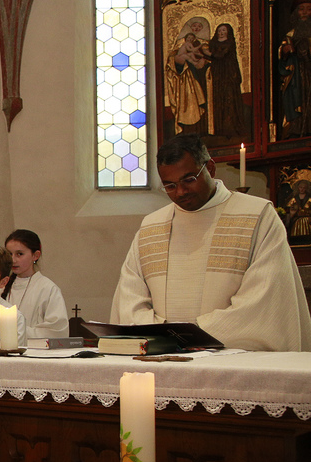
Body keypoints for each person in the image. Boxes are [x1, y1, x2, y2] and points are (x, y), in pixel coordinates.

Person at [110, 133, 311, 351]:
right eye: (170, 186)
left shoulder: (258, 216)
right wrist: (165, 339)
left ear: (211, 169)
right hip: (162, 358)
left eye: (189, 180)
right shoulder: (151, 226)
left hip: (233, 361)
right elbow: (129, 300)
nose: (180, 192)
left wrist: (189, 337)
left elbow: (265, 299)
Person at [2, 230, 69, 339]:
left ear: (35, 255)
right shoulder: (1, 286)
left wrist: (16, 330)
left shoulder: (48, 289)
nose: (13, 260)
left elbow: (57, 332)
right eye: (9, 254)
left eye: (19, 254)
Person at [278, 0, 311, 138]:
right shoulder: (290, 34)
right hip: (296, 75)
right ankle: (297, 128)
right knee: (297, 97)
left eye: (308, 9)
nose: (305, 12)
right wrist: (285, 51)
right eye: (301, 9)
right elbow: (281, 56)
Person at [207, 23, 245, 139]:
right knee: (219, 100)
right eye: (219, 30)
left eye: (223, 30)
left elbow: (220, 55)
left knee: (229, 100)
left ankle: (231, 128)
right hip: (218, 76)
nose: (221, 33)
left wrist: (207, 52)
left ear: (228, 32)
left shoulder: (229, 43)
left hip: (229, 75)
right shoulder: (213, 43)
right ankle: (219, 129)